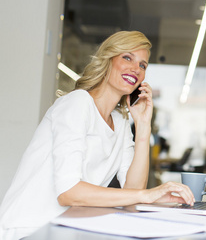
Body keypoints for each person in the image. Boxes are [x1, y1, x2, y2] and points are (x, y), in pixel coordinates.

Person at [0, 31, 194, 240]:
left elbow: (132, 192)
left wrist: (143, 127)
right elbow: (69, 192)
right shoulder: (77, 103)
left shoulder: (119, 123)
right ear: (108, 60)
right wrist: (148, 195)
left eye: (143, 65)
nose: (136, 69)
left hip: (64, 230)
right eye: (127, 57)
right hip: (28, 230)